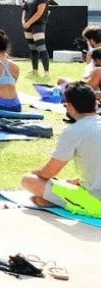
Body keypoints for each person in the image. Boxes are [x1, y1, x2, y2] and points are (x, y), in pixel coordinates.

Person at [19, 82, 101, 219]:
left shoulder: (74, 131)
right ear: (95, 104)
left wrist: (35, 172)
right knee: (70, 182)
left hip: (96, 203)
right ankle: (59, 199)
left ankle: (59, 202)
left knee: (29, 180)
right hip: (93, 187)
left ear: (70, 107)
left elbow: (49, 172)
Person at [22, 0, 50, 76]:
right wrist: (23, 22)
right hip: (28, 25)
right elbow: (24, 9)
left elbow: (39, 13)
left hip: (38, 25)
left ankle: (46, 72)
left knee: (41, 48)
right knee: (32, 48)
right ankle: (34, 69)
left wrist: (29, 22)